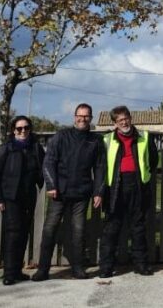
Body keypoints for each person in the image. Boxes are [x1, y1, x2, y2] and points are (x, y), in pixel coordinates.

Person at [32, 103, 105, 281]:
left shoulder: (95, 141)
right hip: (59, 193)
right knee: (50, 230)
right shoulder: (61, 136)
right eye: (79, 116)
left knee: (79, 231)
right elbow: (49, 162)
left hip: (82, 194)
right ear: (74, 117)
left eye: (86, 116)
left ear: (91, 118)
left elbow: (100, 167)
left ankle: (78, 268)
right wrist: (51, 185)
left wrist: (98, 192)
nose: (83, 119)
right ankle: (43, 269)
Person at [98, 105, 159, 278]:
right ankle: (106, 267)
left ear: (130, 118)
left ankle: (141, 265)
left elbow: (153, 160)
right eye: (120, 120)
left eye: (126, 118)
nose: (124, 122)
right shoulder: (107, 139)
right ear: (115, 123)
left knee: (138, 227)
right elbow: (102, 166)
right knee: (111, 228)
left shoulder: (144, 137)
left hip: (138, 185)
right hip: (115, 186)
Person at [0, 115, 46, 285]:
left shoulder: (35, 148)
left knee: (23, 233)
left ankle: (18, 271)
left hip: (28, 196)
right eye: (19, 128)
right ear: (13, 130)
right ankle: (9, 273)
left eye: (26, 128)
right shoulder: (5, 148)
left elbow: (45, 167)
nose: (23, 131)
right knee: (12, 233)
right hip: (10, 197)